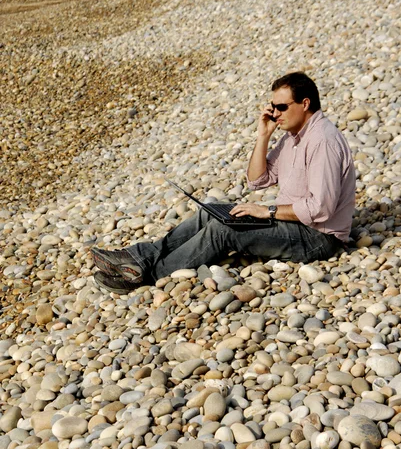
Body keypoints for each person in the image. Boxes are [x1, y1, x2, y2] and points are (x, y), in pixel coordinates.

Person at [91, 71, 356, 294]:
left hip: (319, 237)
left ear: (305, 104)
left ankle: (150, 276)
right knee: (214, 211)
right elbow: (257, 180)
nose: (275, 113)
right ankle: (140, 257)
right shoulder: (292, 136)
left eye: (282, 107)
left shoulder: (322, 141)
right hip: (294, 221)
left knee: (223, 231)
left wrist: (268, 211)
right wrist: (263, 135)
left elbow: (321, 208)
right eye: (272, 107)